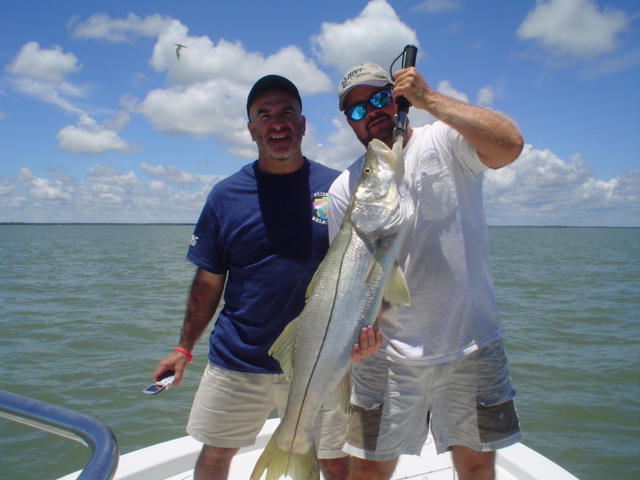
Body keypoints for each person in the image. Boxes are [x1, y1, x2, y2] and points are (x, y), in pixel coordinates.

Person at [152, 74, 380, 480]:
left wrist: (364, 334)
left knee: (333, 459)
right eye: (265, 115)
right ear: (251, 129)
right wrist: (184, 348)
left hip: (324, 357)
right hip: (238, 357)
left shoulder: (339, 187)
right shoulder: (225, 196)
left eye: (287, 113)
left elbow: (365, 271)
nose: (277, 123)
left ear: (304, 124)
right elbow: (208, 282)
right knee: (216, 454)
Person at [328, 63, 525, 480]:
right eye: (357, 109)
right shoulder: (345, 188)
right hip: (386, 354)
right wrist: (355, 341)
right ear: (349, 122)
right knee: (368, 470)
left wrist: (430, 99)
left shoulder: (446, 139)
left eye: (380, 98)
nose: (372, 111)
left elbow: (510, 145)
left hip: (471, 342)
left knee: (476, 467)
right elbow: (356, 284)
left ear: (398, 95)